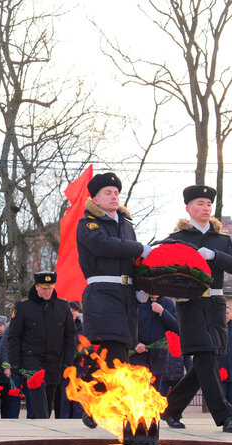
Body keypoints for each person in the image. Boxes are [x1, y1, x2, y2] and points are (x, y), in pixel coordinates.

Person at [161, 185, 232, 433]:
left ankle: (171, 408)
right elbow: (162, 267)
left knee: (206, 362)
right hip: (191, 304)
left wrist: (215, 255)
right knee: (205, 355)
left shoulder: (223, 239)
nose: (205, 208)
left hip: (216, 304)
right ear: (189, 208)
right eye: (200, 203)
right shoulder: (177, 238)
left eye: (209, 204)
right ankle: (225, 416)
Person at [76, 172, 151, 428]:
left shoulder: (126, 224)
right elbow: (103, 246)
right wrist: (139, 247)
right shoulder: (88, 223)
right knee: (116, 352)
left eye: (116, 192)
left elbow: (134, 261)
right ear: (95, 198)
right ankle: (120, 408)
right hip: (103, 294)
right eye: (108, 192)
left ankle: (94, 402)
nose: (113, 196)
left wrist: (143, 288)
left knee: (118, 354)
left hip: (126, 297)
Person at [7, 272, 76, 420]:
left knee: (49, 395)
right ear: (37, 287)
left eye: (50, 288)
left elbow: (70, 336)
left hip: (54, 358)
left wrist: (68, 362)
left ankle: (37, 425)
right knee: (38, 387)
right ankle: (44, 425)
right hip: (31, 356)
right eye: (44, 288)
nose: (48, 291)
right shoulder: (23, 306)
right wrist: (15, 362)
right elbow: (13, 336)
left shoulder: (63, 306)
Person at [133, 295, 180, 397]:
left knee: (154, 394)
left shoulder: (168, 303)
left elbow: (177, 328)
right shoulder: (137, 301)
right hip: (138, 354)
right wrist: (135, 344)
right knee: (140, 390)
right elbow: (128, 325)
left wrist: (163, 312)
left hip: (158, 357)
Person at [0, 315, 19, 419]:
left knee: (6, 400)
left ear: (5, 326)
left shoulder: (9, 339)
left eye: (1, 325)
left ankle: (6, 419)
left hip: (7, 375)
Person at [59, 302, 85, 418]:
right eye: (69, 311)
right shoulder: (59, 327)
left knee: (78, 398)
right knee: (65, 398)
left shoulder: (83, 328)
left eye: (74, 310)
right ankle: (64, 421)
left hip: (80, 367)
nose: (72, 313)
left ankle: (77, 420)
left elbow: (87, 346)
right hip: (65, 367)